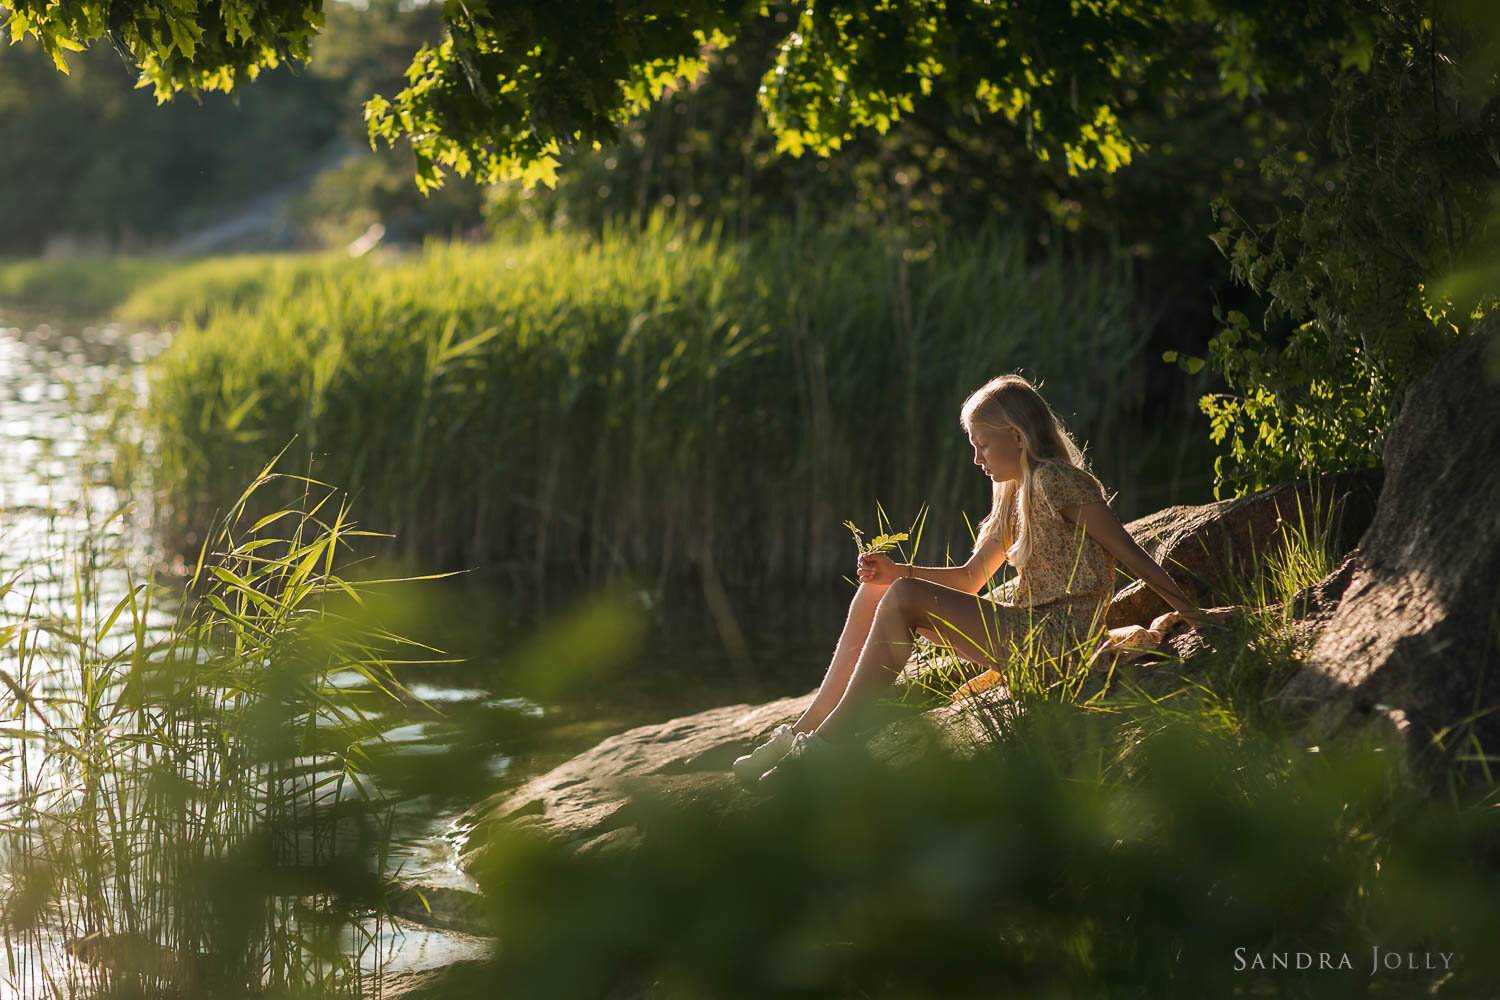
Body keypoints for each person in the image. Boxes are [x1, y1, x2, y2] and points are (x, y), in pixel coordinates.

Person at [733, 374, 1225, 788]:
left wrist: (1192, 612)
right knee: (881, 588)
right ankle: (801, 732)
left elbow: (1129, 552)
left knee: (902, 596)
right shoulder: (1012, 493)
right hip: (1028, 633)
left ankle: (824, 748)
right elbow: (970, 579)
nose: (976, 459)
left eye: (981, 445)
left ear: (1016, 436)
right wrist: (896, 570)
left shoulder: (1059, 482)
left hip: (1060, 641)